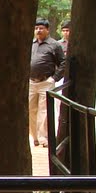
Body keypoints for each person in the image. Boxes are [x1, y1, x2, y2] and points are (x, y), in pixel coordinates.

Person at [28, 18, 65, 147]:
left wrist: (54, 78)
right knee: (30, 110)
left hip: (46, 81)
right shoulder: (31, 44)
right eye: (36, 28)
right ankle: (34, 137)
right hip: (31, 82)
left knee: (44, 111)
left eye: (41, 28)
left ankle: (44, 137)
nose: (38, 30)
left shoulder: (54, 45)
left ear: (47, 30)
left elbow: (63, 63)